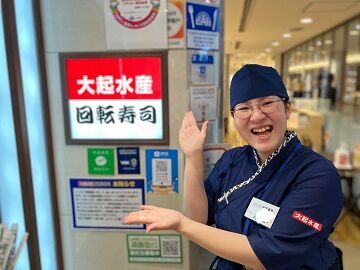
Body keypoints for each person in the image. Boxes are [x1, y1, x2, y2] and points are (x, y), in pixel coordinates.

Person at [124, 64, 343, 270]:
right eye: (244, 108)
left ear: (287, 108)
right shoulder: (232, 160)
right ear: (234, 118)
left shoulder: (318, 174)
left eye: (267, 103)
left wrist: (182, 224)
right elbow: (198, 218)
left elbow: (272, 253)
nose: (256, 116)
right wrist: (192, 157)